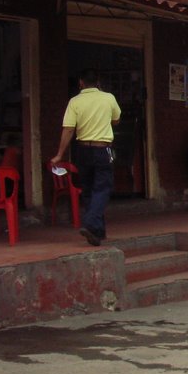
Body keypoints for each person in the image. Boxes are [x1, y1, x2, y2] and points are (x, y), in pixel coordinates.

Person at [51, 68, 121, 247]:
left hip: (82, 150)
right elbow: (116, 120)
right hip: (102, 149)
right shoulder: (109, 98)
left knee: (88, 189)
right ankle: (91, 223)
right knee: (103, 188)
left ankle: (97, 233)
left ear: (80, 82)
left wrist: (59, 154)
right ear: (98, 82)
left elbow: (68, 129)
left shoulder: (74, 101)